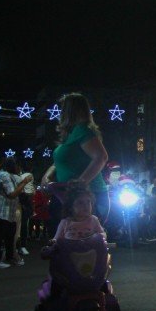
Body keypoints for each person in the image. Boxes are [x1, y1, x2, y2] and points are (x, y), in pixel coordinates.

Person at [42, 93, 109, 238]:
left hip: (85, 196)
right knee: (67, 242)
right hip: (67, 195)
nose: (60, 113)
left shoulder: (82, 130)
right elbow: (58, 162)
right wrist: (47, 176)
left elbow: (101, 157)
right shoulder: (71, 135)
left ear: (70, 111)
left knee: (81, 244)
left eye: (63, 109)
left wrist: (79, 183)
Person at [0, 158, 32, 269]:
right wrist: (25, 182)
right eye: (18, 166)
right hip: (4, 210)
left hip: (8, 211)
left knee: (9, 235)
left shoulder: (5, 175)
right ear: (13, 165)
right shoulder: (5, 175)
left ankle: (9, 256)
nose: (19, 169)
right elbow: (11, 194)